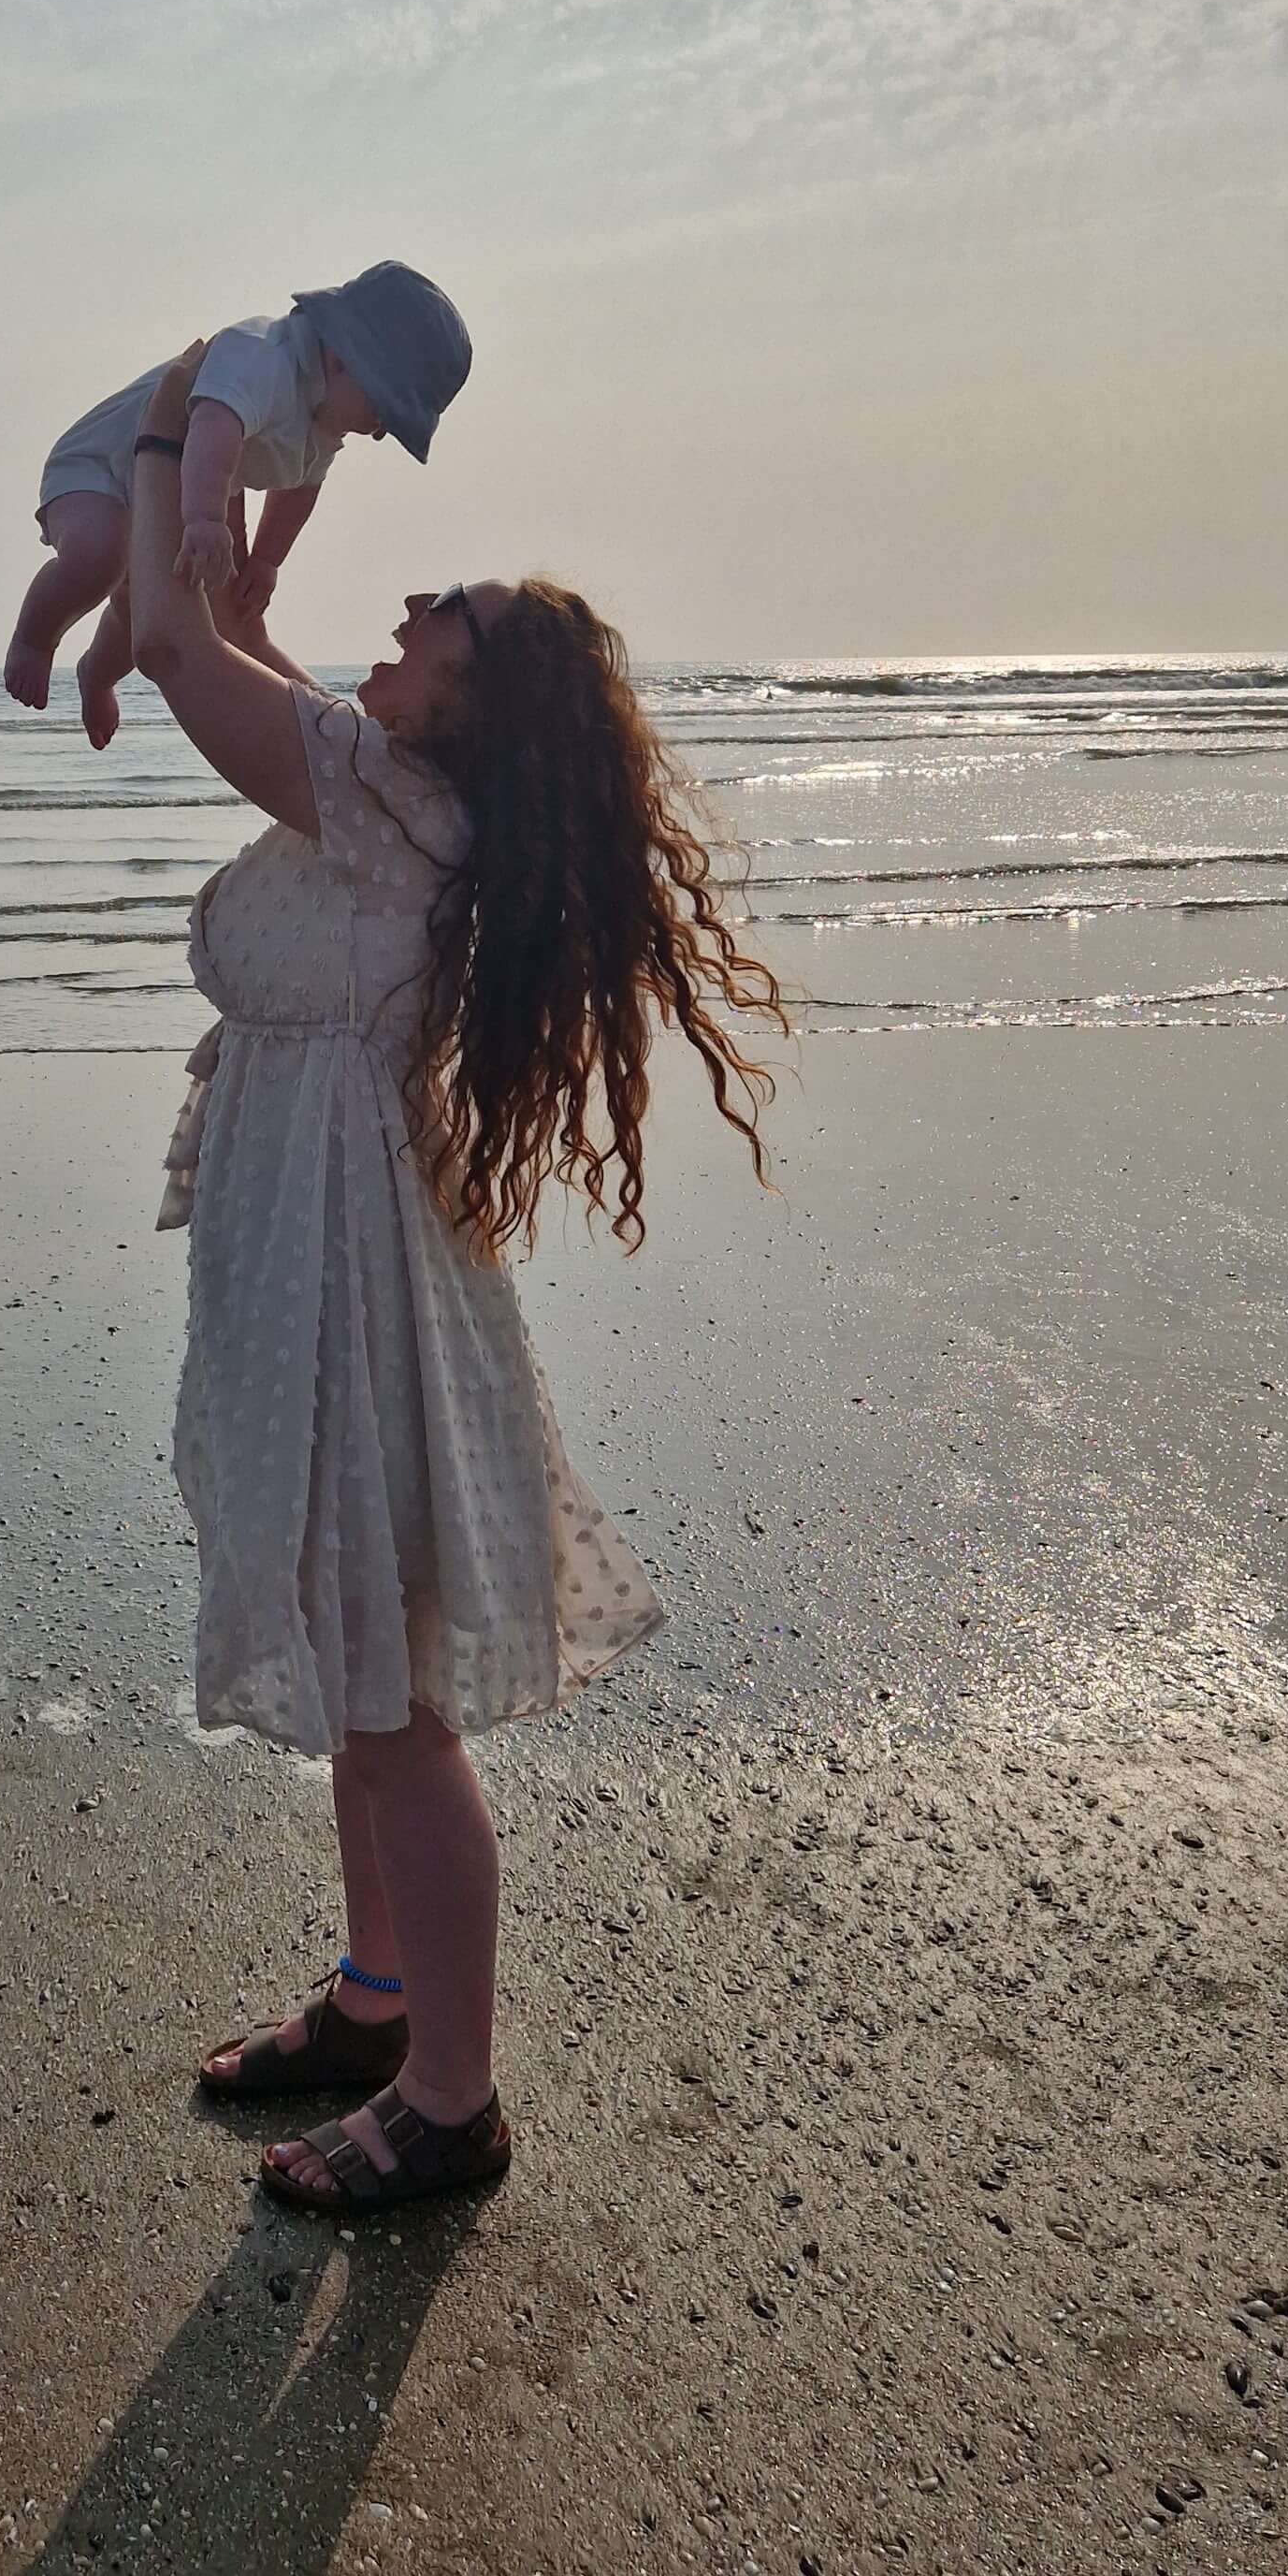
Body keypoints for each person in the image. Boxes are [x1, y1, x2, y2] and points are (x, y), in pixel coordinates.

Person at [123, 343, 788, 2215]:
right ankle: (375, 1996)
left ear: (469, 713)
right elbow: (225, 648)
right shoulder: (399, 795)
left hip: (347, 1274)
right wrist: (237, 565)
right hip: (332, 1247)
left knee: (396, 1703)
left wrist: (171, 434)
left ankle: (451, 2098)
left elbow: (176, 654)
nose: (406, 608)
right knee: (366, 1650)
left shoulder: (393, 800)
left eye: (447, 619)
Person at [3, 260, 470, 750]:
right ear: (344, 358)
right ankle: (36, 637)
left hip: (184, 489)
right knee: (100, 556)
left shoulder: (323, 421)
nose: (378, 431)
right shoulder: (262, 355)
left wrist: (267, 560)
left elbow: (300, 489)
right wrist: (204, 518)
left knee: (144, 600)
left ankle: (97, 676)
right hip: (101, 467)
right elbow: (211, 422)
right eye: (384, 412)